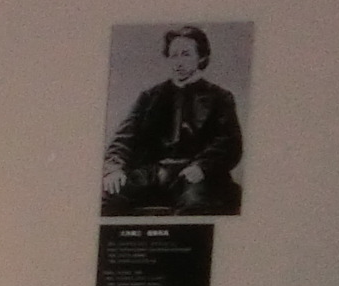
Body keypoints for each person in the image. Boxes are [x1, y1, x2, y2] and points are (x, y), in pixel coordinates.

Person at [103, 26, 244, 216]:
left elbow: (230, 142)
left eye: (186, 54)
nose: (178, 62)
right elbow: (124, 137)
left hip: (195, 174)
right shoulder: (150, 97)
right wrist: (113, 168)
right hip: (152, 173)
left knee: (196, 207)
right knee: (108, 197)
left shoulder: (220, 97)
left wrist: (202, 166)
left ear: (202, 57)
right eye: (173, 55)